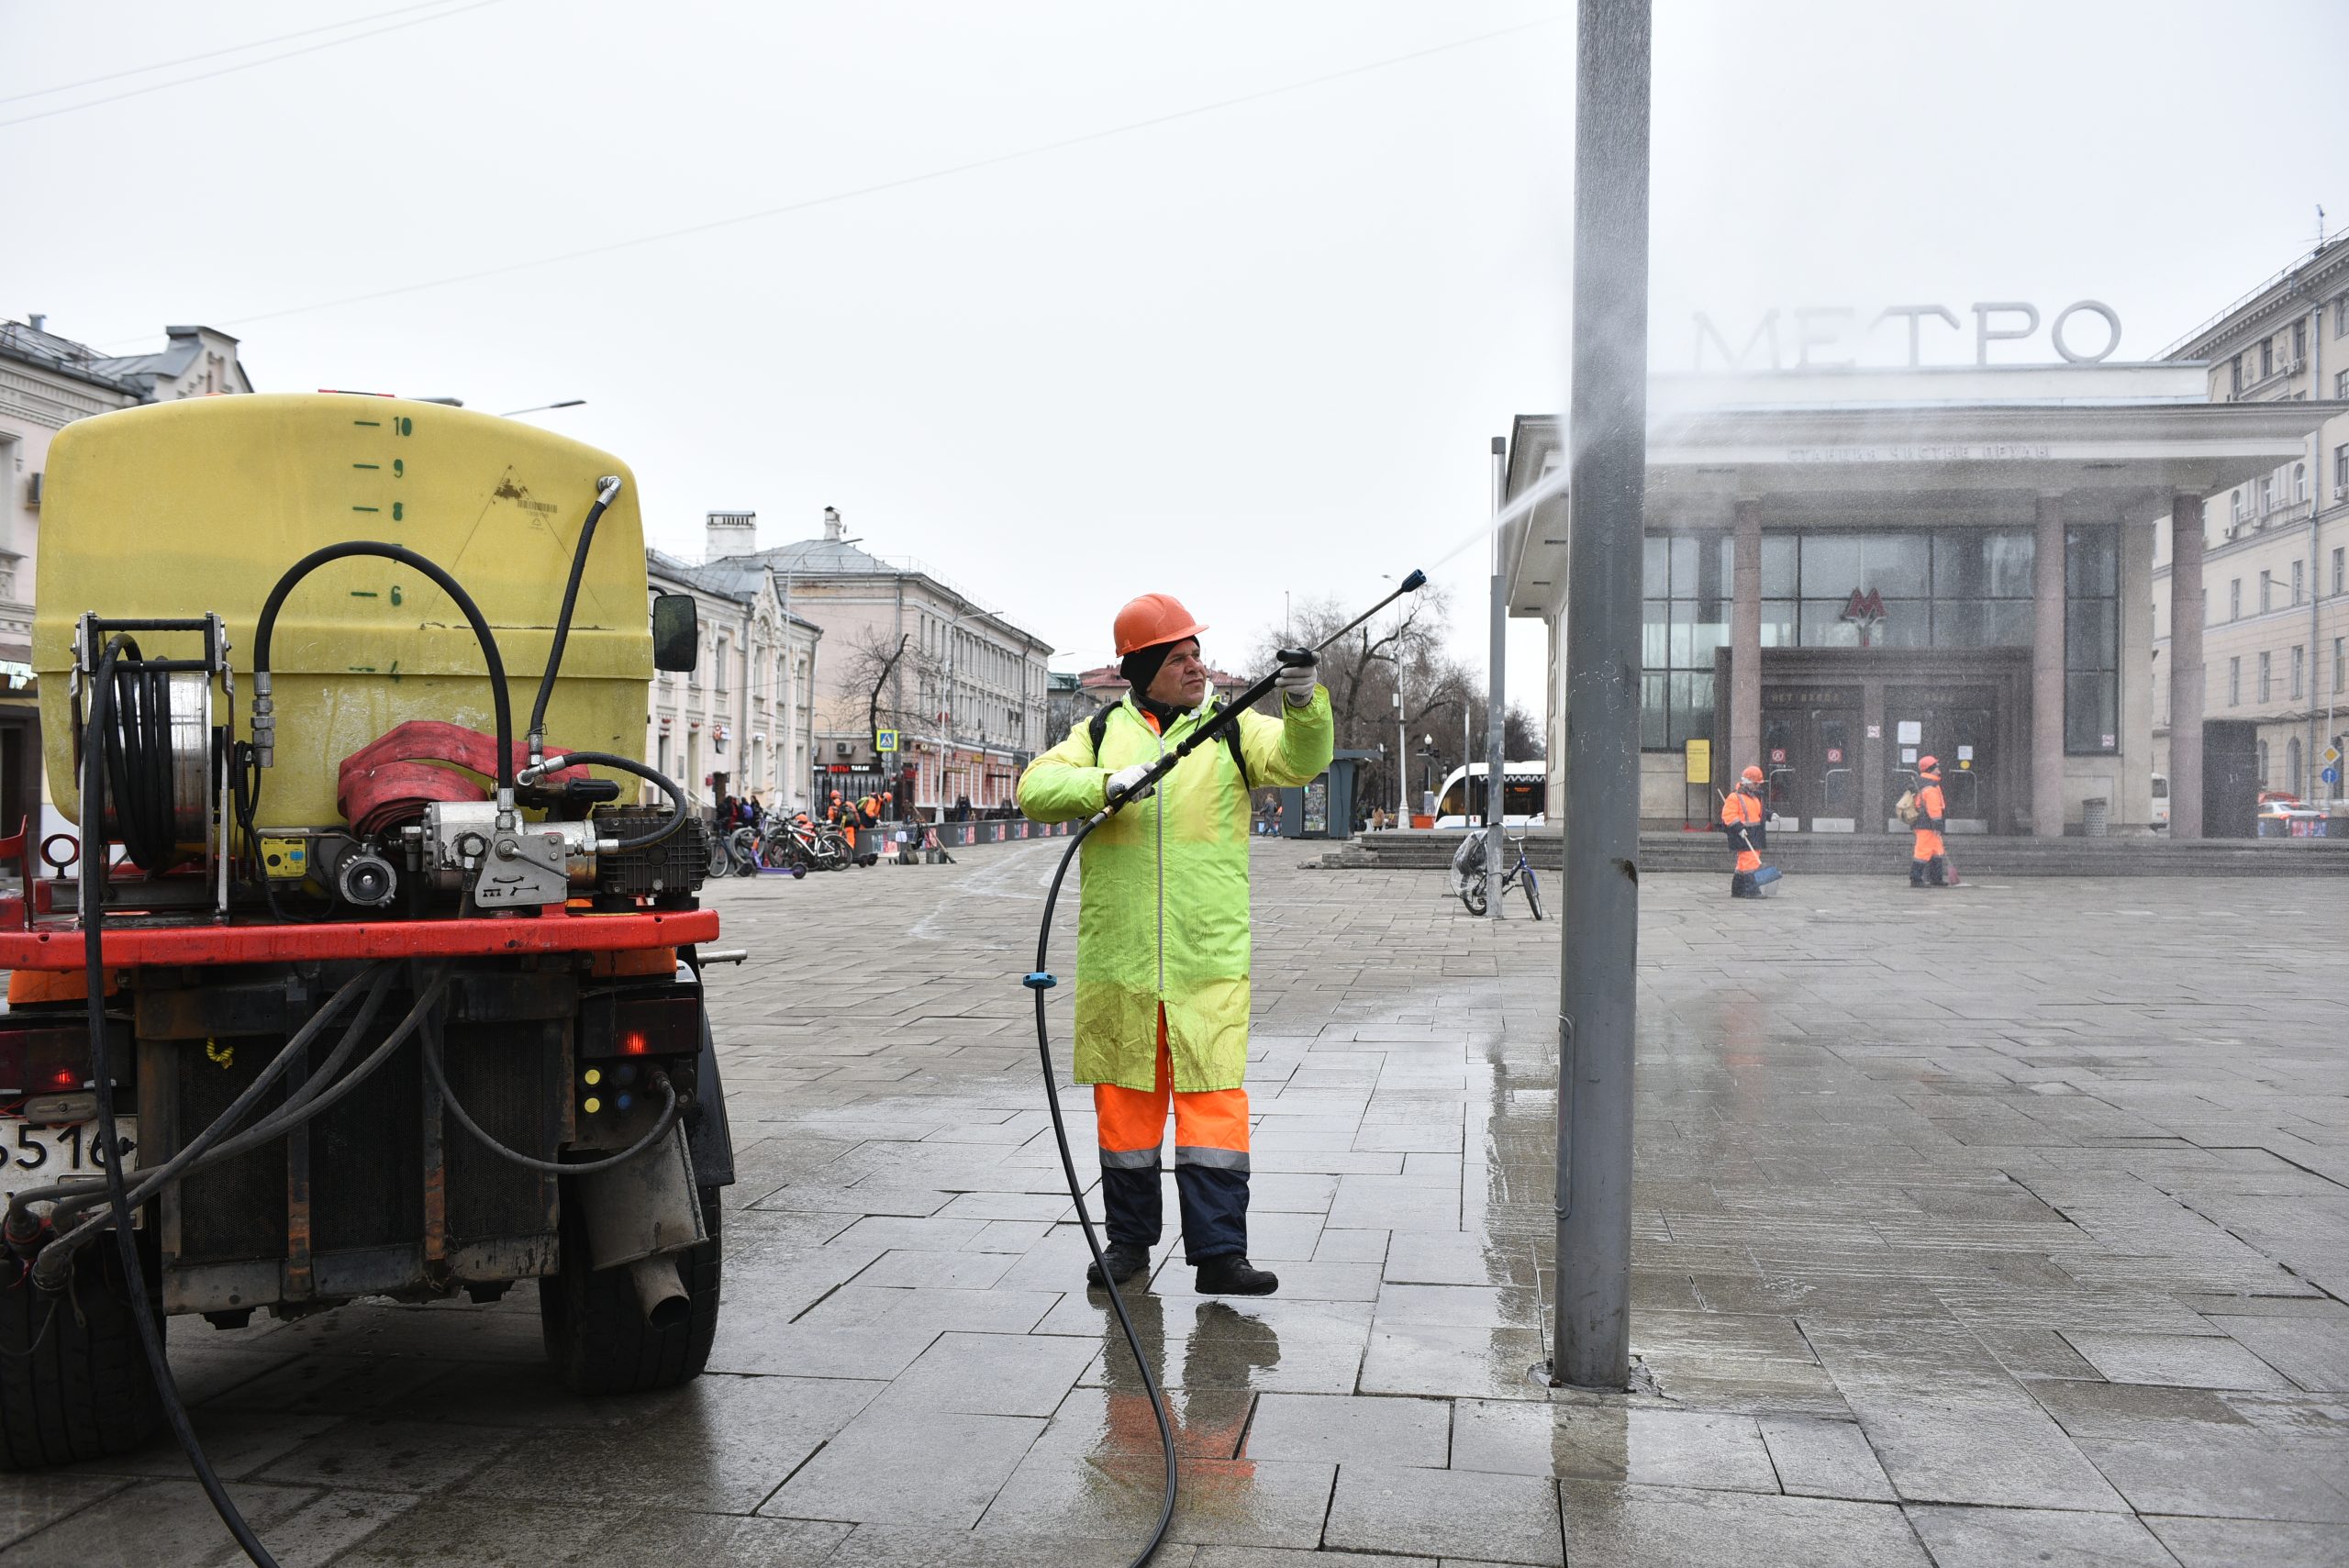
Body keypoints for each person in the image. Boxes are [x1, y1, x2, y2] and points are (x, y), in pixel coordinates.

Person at [1018, 591, 1332, 1297]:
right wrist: (1106, 782)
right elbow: (1035, 787)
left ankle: (1221, 1254)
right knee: (1125, 1114)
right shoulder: (1100, 734)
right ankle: (1128, 1246)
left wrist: (1307, 702)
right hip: (1120, 964)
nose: (1197, 666)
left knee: (1214, 1108)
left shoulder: (1229, 729)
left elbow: (1299, 758)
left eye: (1198, 654)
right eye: (1180, 656)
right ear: (1144, 668)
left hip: (1206, 961)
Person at [1720, 765, 1767, 899]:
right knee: (1750, 862)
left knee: (1742, 864)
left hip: (1754, 834)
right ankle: (1752, 890)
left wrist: (1770, 815)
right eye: (1755, 783)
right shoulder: (1734, 797)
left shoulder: (1754, 797)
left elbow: (1758, 812)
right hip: (1743, 834)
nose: (1758, 786)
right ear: (1747, 782)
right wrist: (1739, 828)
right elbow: (1728, 815)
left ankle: (1738, 890)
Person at [1909, 755, 1950, 888]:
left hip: (1925, 823)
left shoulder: (1925, 783)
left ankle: (1936, 878)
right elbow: (1934, 810)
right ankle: (1916, 878)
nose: (1939, 769)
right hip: (1926, 824)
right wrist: (1938, 825)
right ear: (1931, 769)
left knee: (1936, 850)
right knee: (1923, 851)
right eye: (1936, 767)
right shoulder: (1930, 788)